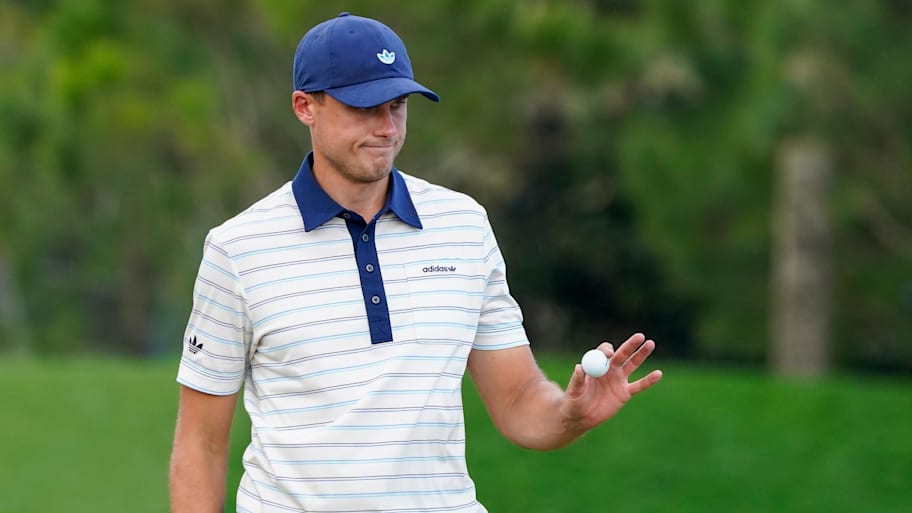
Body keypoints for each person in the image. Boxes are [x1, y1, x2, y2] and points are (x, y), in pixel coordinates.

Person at [169, 12, 662, 513]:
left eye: (398, 106)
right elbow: (201, 442)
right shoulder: (238, 248)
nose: (386, 127)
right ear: (305, 107)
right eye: (364, 107)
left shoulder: (463, 226)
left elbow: (518, 402)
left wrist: (571, 414)